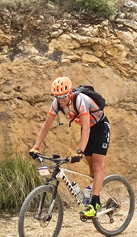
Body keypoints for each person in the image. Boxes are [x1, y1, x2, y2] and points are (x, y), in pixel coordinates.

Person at [29, 76, 111, 219]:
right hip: (89, 130)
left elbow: (86, 128)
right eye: (58, 97)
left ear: (70, 93)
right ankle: (95, 198)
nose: (61, 100)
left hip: (100, 128)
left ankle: (94, 203)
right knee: (91, 169)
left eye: (63, 97)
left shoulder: (80, 100)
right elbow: (46, 126)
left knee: (98, 166)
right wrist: (36, 146)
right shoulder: (56, 104)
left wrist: (80, 151)